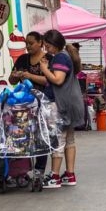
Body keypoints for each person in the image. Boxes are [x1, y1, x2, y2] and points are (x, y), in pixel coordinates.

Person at [40, 31, 85, 188]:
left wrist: (44, 68)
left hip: (61, 104)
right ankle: (70, 175)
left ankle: (55, 177)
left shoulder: (60, 57)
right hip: (71, 102)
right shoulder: (66, 55)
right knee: (69, 140)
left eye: (47, 46)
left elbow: (58, 80)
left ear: (54, 45)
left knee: (58, 139)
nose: (46, 49)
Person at [8, 31, 52, 176]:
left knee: (40, 137)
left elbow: (48, 80)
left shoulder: (48, 59)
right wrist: (15, 76)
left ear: (40, 42)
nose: (28, 46)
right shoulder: (22, 59)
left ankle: (39, 170)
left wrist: (29, 76)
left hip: (43, 103)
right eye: (26, 43)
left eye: (31, 43)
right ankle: (23, 169)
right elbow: (12, 80)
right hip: (24, 104)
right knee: (24, 136)